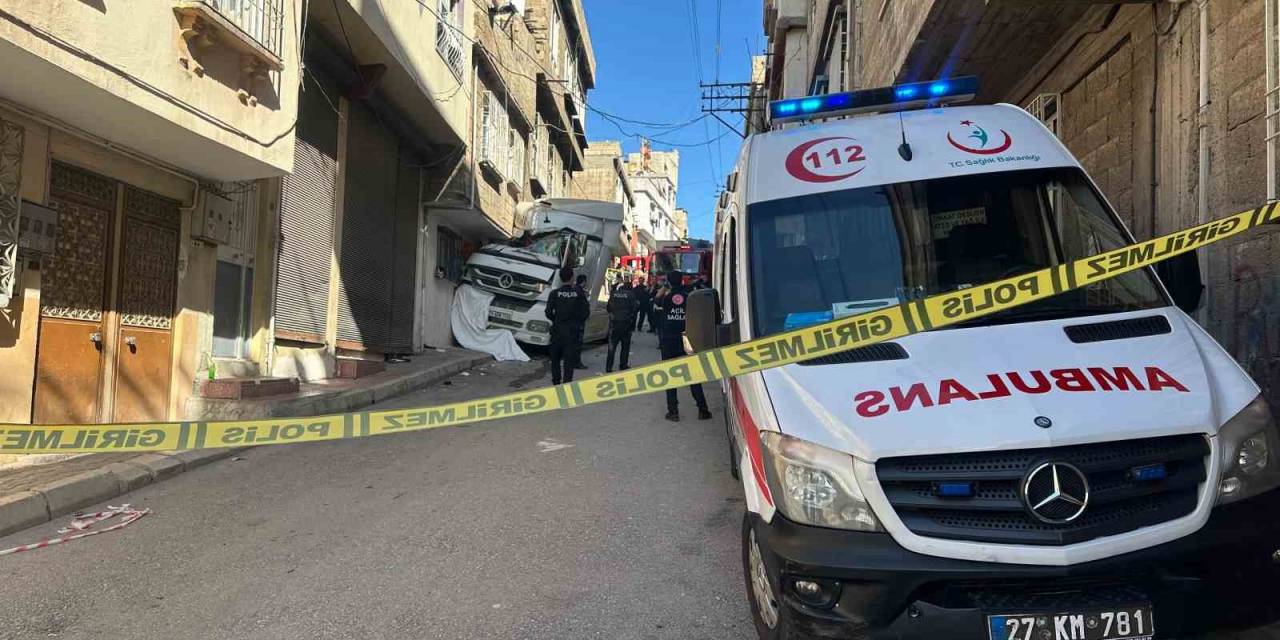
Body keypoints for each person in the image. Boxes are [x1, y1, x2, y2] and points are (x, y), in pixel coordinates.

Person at [655, 270, 712, 422]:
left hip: (668, 340)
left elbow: (656, 300)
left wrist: (664, 287)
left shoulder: (666, 298)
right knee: (693, 375)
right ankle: (703, 410)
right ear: (682, 281)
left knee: (670, 376)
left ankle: (673, 412)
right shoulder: (689, 297)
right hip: (687, 339)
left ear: (669, 282)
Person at [545, 267, 589, 385]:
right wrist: (576, 322)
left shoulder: (554, 294)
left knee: (555, 360)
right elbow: (586, 313)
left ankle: (556, 383)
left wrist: (557, 320)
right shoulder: (579, 294)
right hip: (572, 332)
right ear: (572, 277)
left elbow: (548, 312)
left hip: (557, 331)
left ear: (560, 278)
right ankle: (566, 385)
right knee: (569, 362)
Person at [605, 277, 637, 373]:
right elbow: (635, 309)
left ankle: (608, 367)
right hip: (626, 323)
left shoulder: (614, 294)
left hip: (614, 323)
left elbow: (608, 308)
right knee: (625, 346)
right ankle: (623, 365)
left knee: (611, 346)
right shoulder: (631, 295)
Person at [573, 274, 590, 369]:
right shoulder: (580, 292)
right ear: (583, 281)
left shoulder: (574, 290)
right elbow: (583, 306)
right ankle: (576, 362)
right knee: (578, 343)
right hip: (578, 321)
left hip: (573, 321)